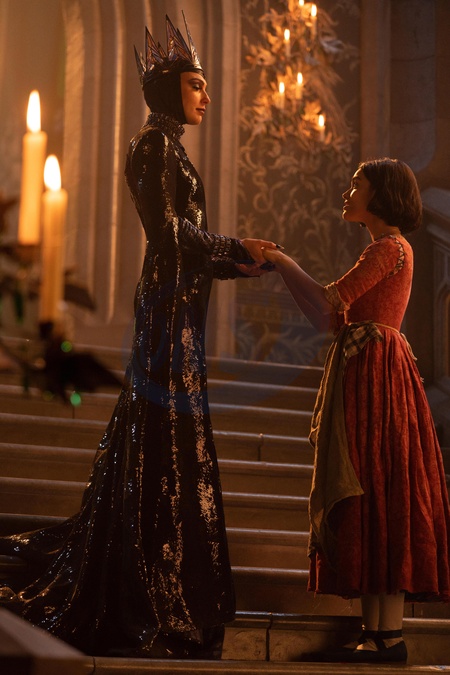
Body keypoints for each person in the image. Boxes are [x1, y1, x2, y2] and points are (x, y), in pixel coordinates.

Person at [0, 15, 278, 658]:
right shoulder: (151, 146)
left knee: (165, 438)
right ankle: (154, 588)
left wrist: (237, 264)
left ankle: (168, 580)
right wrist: (233, 245)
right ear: (166, 89)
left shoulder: (171, 147)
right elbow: (169, 234)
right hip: (165, 312)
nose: (207, 95)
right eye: (196, 84)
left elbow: (187, 245)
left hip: (182, 309)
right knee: (163, 436)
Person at [262, 157, 450, 664]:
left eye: (356, 184)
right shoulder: (388, 248)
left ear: (380, 194)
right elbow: (327, 317)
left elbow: (330, 301)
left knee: (375, 487)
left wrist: (282, 260)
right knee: (374, 492)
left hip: (376, 373)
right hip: (368, 368)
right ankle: (380, 634)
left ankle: (388, 635)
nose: (347, 192)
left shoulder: (388, 248)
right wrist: (282, 267)